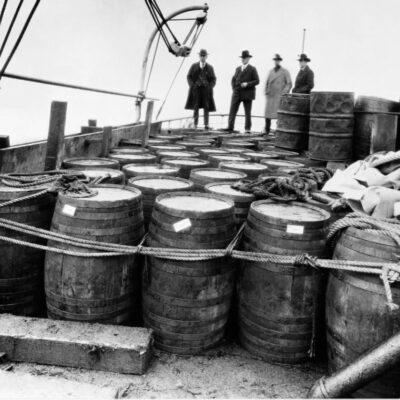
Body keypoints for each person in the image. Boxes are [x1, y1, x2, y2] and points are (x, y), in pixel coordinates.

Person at [224, 50, 260, 133]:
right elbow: (233, 79)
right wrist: (234, 89)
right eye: (242, 58)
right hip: (237, 93)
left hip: (247, 94)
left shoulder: (252, 69)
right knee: (232, 110)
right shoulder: (238, 69)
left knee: (247, 112)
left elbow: (257, 81)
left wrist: (247, 84)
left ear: (248, 59)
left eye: (245, 58)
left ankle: (247, 129)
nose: (243, 59)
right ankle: (230, 126)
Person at [185, 49, 216, 129]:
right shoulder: (194, 66)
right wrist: (192, 86)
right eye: (201, 56)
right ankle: (195, 124)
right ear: (199, 56)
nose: (202, 57)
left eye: (204, 56)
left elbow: (214, 79)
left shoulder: (210, 67)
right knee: (196, 106)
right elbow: (189, 76)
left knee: (206, 106)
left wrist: (210, 87)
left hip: (206, 90)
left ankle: (206, 124)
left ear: (206, 56)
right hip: (196, 90)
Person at [264, 54, 292, 134]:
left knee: (279, 114)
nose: (276, 61)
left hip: (279, 95)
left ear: (280, 61)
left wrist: (284, 92)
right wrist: (266, 91)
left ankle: (279, 130)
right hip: (271, 95)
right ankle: (267, 130)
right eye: (275, 60)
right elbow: (267, 82)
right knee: (268, 114)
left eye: (278, 60)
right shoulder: (271, 71)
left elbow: (289, 83)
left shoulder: (284, 71)